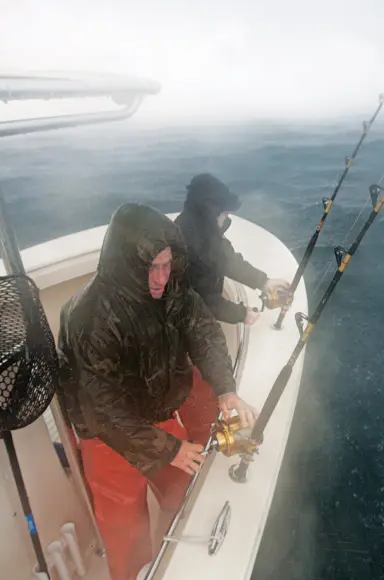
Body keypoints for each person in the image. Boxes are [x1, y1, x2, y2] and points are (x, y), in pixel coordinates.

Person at [55, 202, 259, 580]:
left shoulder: (172, 290)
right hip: (107, 437)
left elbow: (203, 332)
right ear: (126, 264)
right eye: (151, 267)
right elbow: (101, 410)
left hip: (158, 417)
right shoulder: (89, 319)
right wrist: (170, 448)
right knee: (125, 528)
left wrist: (226, 389)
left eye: (167, 265)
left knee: (184, 493)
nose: (161, 277)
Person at [174, 173, 291, 326]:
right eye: (225, 213)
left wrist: (263, 281)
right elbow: (202, 300)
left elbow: (226, 259)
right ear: (212, 213)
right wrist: (242, 314)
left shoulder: (196, 227)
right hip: (182, 318)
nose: (227, 217)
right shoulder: (194, 248)